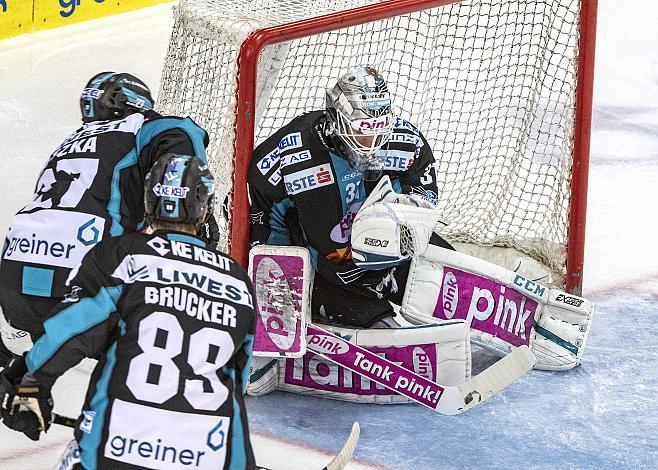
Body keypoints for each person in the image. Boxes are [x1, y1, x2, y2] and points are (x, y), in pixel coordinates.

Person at [0, 154, 257, 470]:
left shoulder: (122, 254)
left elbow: (71, 331)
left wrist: (31, 384)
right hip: (216, 453)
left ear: (149, 200)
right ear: (203, 209)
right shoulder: (237, 277)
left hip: (119, 446)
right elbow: (239, 374)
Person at [0, 71, 211, 366]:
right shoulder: (145, 126)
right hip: (80, 289)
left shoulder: (68, 142)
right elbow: (184, 138)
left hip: (13, 292)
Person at [248, 65, 448, 329]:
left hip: (399, 259)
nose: (372, 140)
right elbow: (271, 233)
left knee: (458, 289)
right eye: (362, 129)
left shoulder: (407, 142)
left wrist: (403, 216)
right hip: (333, 277)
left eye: (379, 129)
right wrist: (284, 299)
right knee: (385, 333)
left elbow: (425, 201)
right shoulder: (285, 157)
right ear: (337, 119)